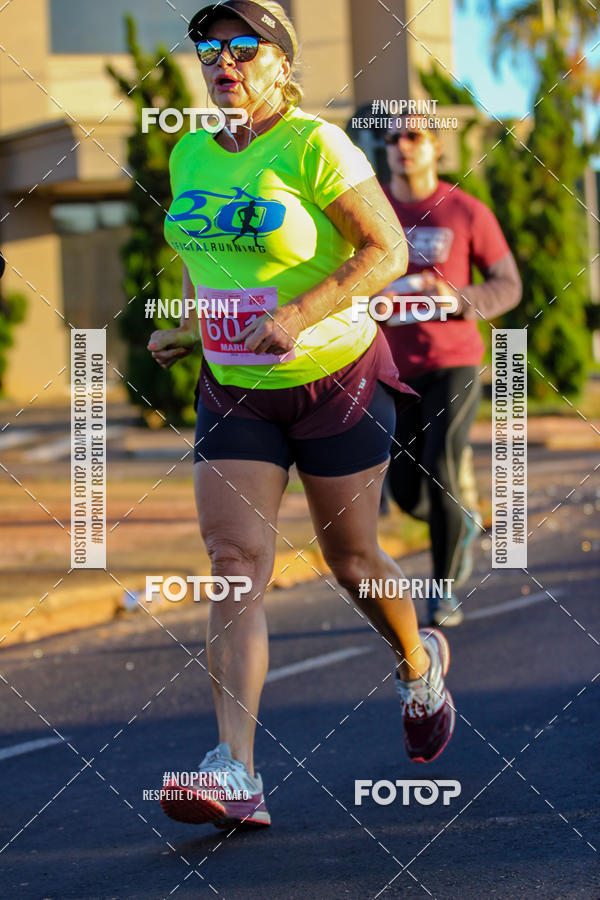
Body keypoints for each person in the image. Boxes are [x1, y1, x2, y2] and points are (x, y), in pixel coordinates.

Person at [148, 0, 456, 830]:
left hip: (335, 382)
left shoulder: (316, 145)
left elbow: (386, 249)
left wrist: (297, 314)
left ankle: (419, 664)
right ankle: (235, 770)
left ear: (283, 63)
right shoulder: (190, 154)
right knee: (234, 559)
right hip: (234, 388)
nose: (224, 61)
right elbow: (203, 253)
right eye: (210, 48)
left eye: (244, 47)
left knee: (351, 561)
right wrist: (188, 324)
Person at [379, 117, 522, 627]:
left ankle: (441, 592)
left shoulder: (465, 210)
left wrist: (460, 299)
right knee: (404, 488)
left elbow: (508, 285)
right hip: (391, 370)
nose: (401, 147)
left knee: (440, 467)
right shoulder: (371, 206)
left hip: (453, 362)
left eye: (413, 137)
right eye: (392, 138)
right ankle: (459, 520)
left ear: (436, 147)